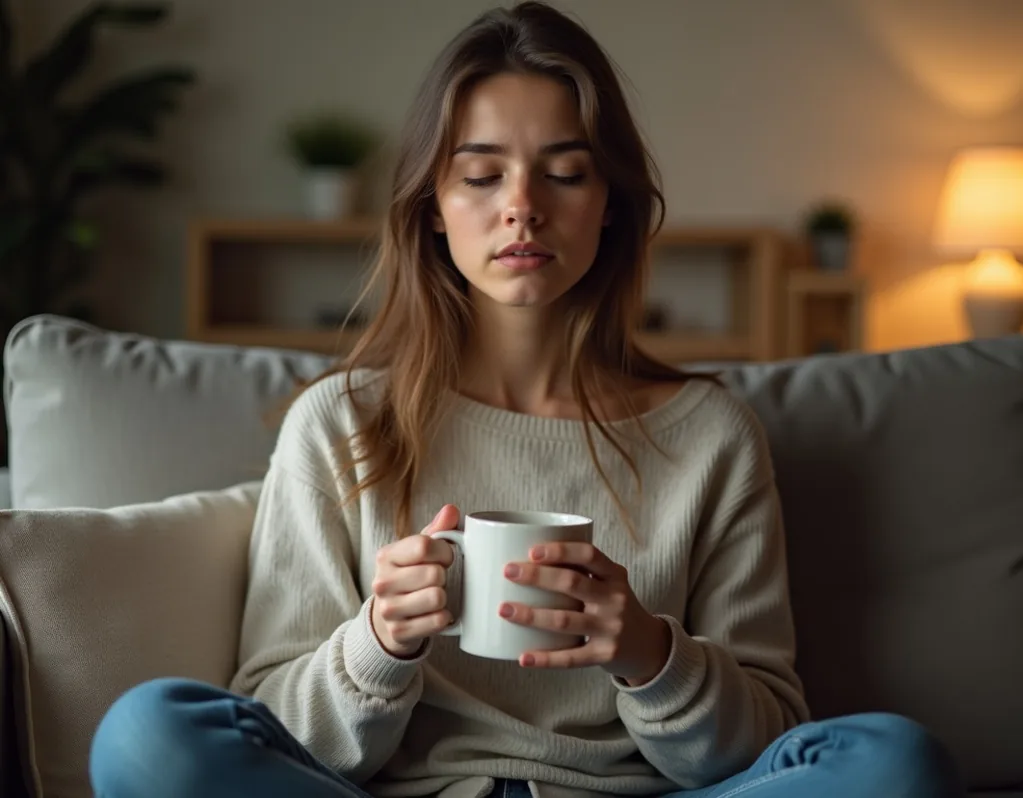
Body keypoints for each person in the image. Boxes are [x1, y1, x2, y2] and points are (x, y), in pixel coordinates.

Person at [88, 3, 964, 797]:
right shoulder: (343, 422)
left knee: (893, 761)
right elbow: (272, 725)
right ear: (432, 206)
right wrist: (378, 643)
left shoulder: (711, 437)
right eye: (480, 175)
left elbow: (764, 738)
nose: (522, 209)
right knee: (147, 737)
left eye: (565, 173)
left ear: (610, 205)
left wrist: (649, 654)